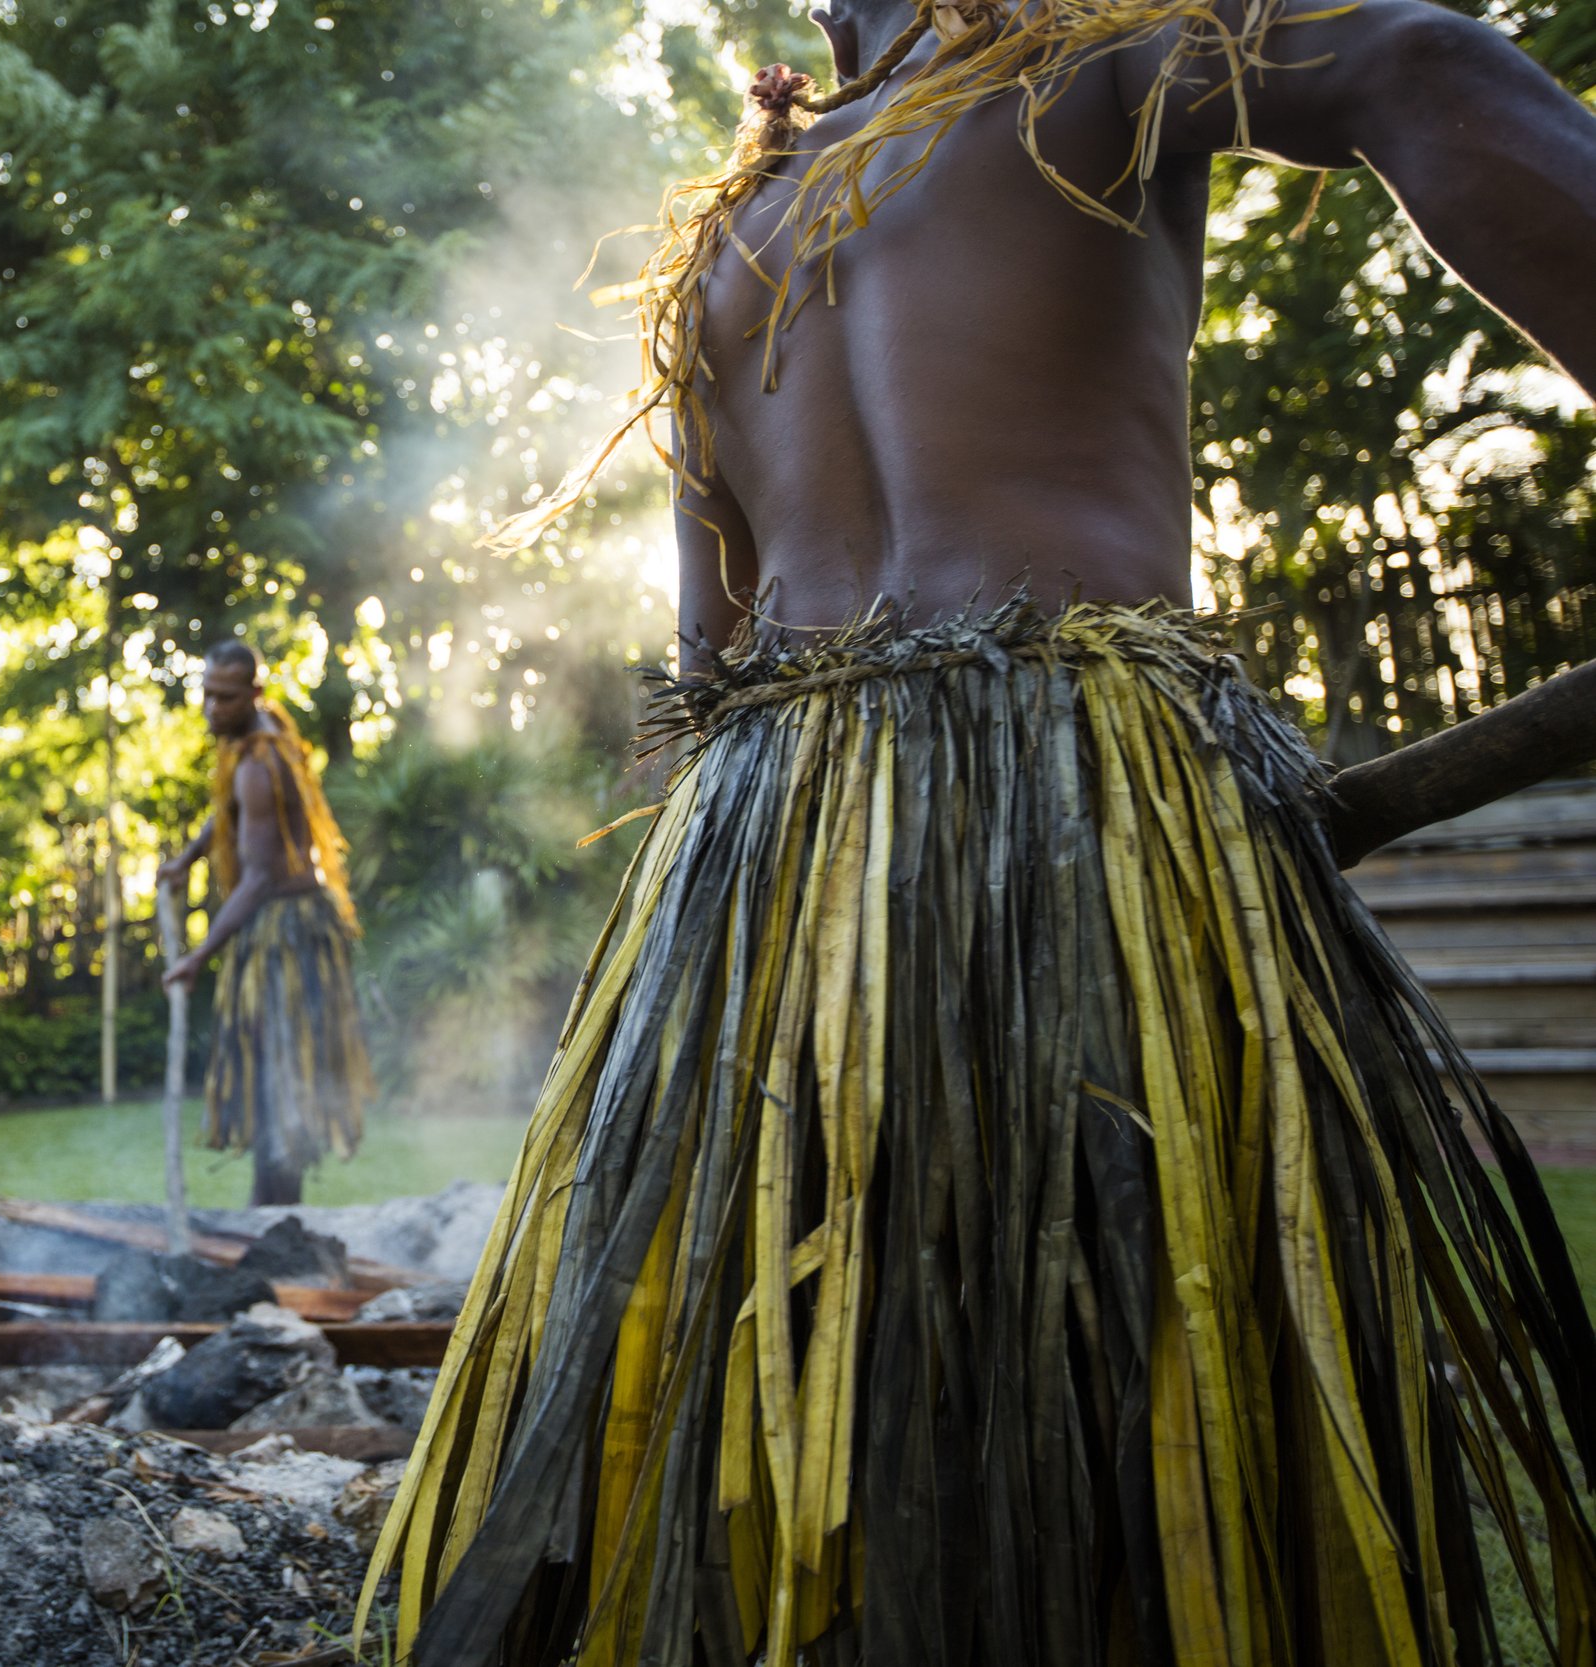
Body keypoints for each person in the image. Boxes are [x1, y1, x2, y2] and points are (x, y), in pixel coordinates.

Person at [362, 0, 1596, 1661]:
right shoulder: (865, 161)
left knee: (1031, 1389)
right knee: (845, 1403)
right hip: (878, 848)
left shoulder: (1029, 90)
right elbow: (1421, 61)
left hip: (925, 829)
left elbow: (1411, 65)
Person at [160, 639, 373, 1207]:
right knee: (272, 1075)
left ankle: (276, 1213)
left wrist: (197, 958)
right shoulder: (258, 738)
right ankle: (274, 1211)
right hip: (286, 925)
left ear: (253, 693)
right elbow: (230, 813)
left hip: (287, 933)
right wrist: (189, 857)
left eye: (224, 698)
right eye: (205, 694)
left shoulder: (262, 761)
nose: (211, 708)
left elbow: (257, 879)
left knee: (282, 1076)